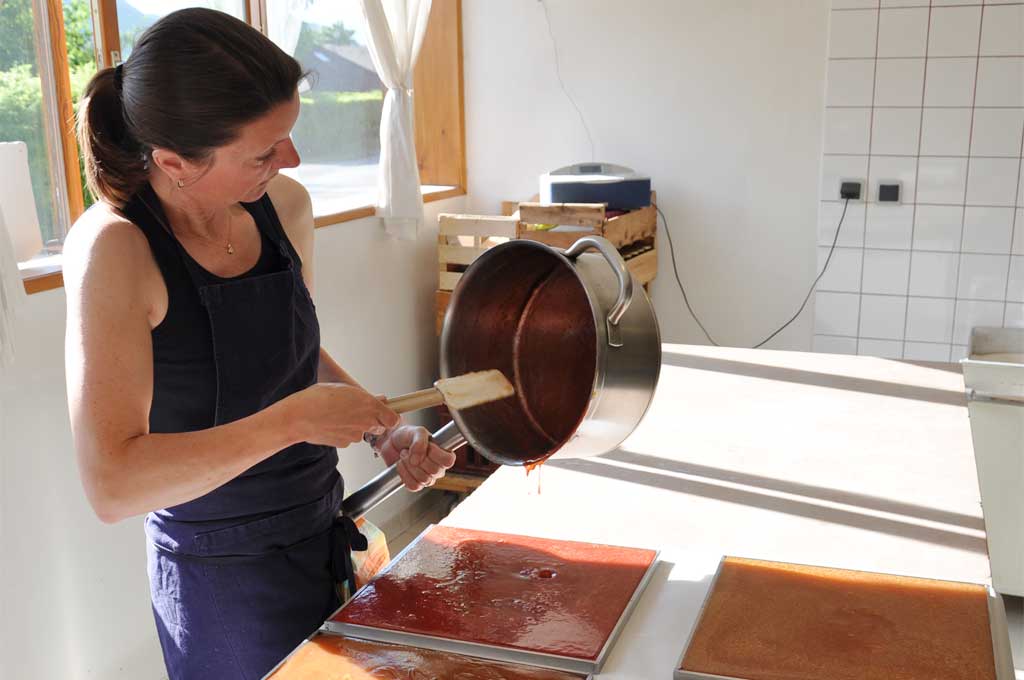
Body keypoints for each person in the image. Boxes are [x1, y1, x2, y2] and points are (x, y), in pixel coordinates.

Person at [63, 8, 455, 679]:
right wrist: (292, 422)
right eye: (264, 151)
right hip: (220, 581)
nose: (292, 160)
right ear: (173, 162)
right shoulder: (115, 251)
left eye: (289, 137)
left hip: (324, 536)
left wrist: (380, 429)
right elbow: (113, 485)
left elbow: (294, 359)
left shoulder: (285, 208)